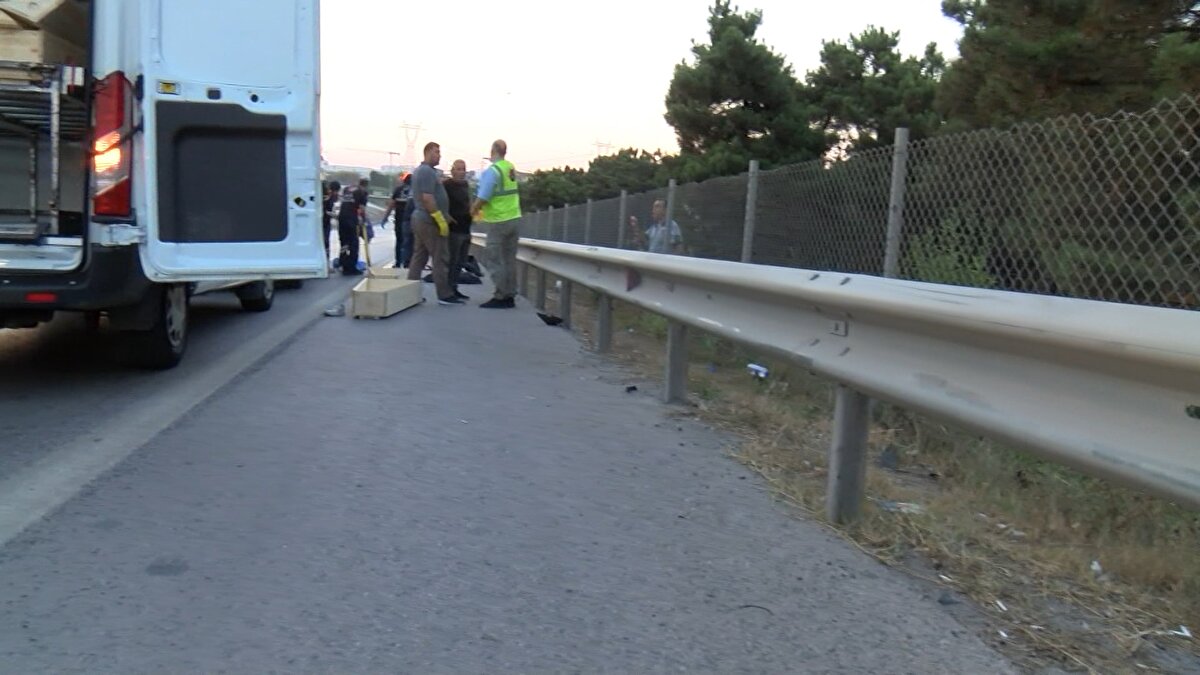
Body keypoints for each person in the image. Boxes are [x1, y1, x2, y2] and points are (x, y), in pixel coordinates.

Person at [472, 139, 521, 309]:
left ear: (492, 151)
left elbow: (484, 196)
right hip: (514, 218)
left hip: (499, 221)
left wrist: (472, 211)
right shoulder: (510, 168)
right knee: (509, 260)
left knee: (494, 259)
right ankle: (510, 295)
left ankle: (501, 295)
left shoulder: (493, 171)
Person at [408, 142, 460, 305]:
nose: (439, 155)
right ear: (428, 152)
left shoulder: (426, 172)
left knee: (420, 257)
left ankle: (410, 293)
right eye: (437, 152)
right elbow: (427, 198)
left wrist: (446, 215)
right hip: (428, 221)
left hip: (422, 219)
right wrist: (440, 219)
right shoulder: (426, 172)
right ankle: (444, 294)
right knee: (440, 257)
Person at [443, 159, 473, 301]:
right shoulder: (447, 185)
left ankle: (454, 288)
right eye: (459, 169)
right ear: (453, 170)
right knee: (452, 260)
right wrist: (446, 216)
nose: (461, 172)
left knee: (461, 261)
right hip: (454, 228)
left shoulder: (465, 185)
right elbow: (440, 202)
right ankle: (447, 290)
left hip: (466, 227)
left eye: (463, 169)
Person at [336, 181, 368, 276]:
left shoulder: (347, 189)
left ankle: (344, 263)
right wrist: (364, 220)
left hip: (341, 218)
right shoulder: (362, 193)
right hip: (351, 219)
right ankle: (352, 267)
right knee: (354, 243)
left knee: (344, 242)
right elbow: (362, 209)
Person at [383, 173, 412, 268]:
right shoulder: (415, 190)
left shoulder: (398, 190)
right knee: (410, 242)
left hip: (400, 219)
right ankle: (408, 263)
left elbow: (391, 204)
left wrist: (385, 217)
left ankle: (398, 262)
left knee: (399, 241)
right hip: (411, 220)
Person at [322, 180, 340, 269]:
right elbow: (326, 211)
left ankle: (326, 264)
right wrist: (335, 216)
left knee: (325, 243)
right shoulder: (329, 197)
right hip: (323, 222)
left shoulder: (329, 197)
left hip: (324, 222)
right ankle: (326, 265)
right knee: (325, 243)